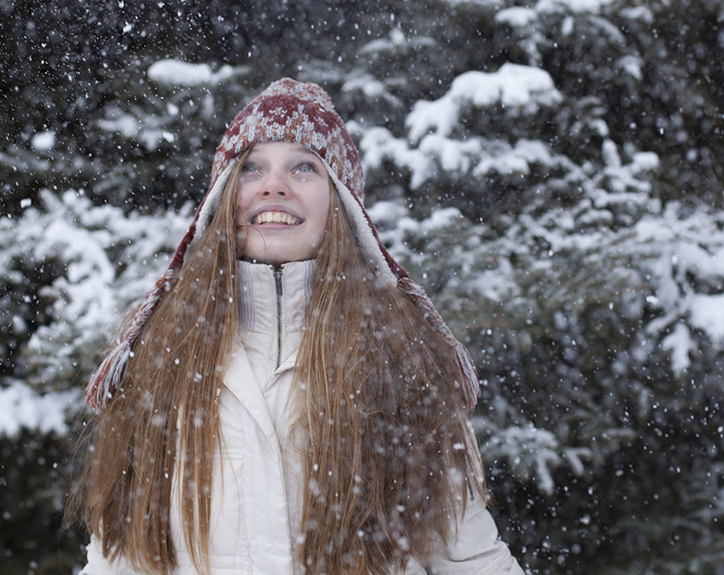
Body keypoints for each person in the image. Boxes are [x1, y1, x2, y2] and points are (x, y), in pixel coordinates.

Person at [69, 79, 524, 574]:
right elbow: (121, 556)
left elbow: (472, 559)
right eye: (252, 168)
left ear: (342, 205)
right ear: (223, 200)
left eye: (304, 167)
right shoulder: (164, 355)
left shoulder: (403, 357)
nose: (274, 186)